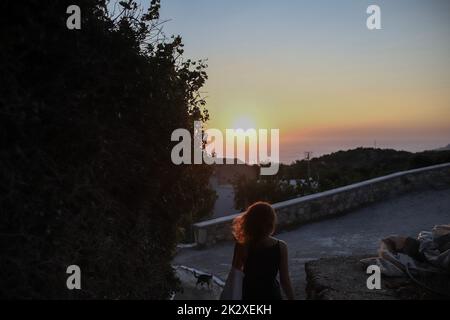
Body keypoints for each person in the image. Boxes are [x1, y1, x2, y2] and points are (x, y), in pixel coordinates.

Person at [231, 201, 295, 300]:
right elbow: (285, 280)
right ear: (271, 222)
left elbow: (235, 274)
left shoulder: (243, 245)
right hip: (272, 295)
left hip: (249, 295)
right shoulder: (281, 247)